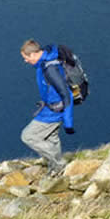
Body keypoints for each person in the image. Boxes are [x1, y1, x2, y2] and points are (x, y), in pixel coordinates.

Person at [19, 39, 75, 177]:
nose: (25, 61)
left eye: (25, 58)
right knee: (51, 137)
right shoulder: (44, 63)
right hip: (50, 108)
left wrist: (68, 122)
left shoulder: (50, 69)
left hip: (54, 112)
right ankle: (56, 170)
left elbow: (66, 95)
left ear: (33, 54)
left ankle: (58, 162)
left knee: (28, 136)